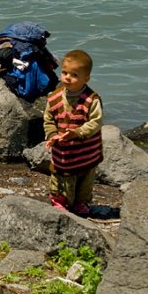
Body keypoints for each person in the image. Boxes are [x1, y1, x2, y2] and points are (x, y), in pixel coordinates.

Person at [43, 49, 103, 216]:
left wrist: (77, 132)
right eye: (64, 73)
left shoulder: (92, 99)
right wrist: (52, 134)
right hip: (63, 149)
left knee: (85, 178)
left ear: (86, 78)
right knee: (60, 175)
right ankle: (59, 200)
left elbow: (96, 122)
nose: (67, 77)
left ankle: (80, 202)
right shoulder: (54, 98)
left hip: (86, 150)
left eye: (74, 75)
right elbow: (48, 119)